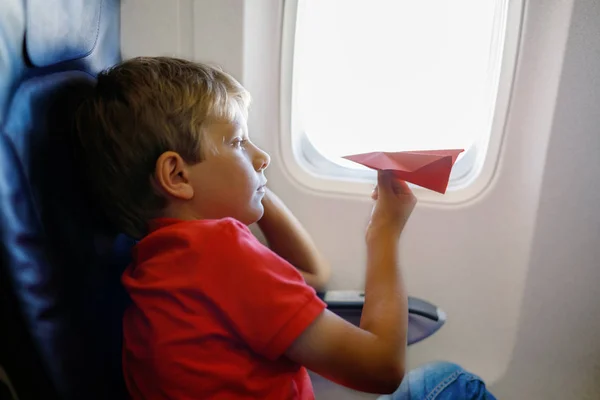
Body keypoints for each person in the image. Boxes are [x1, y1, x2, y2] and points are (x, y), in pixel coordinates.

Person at [74, 56, 496, 399]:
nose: (263, 157)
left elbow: (311, 277)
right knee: (452, 383)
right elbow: (382, 369)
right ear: (177, 176)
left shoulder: (162, 261)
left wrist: (252, 186)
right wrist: (384, 232)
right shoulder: (218, 251)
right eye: (239, 142)